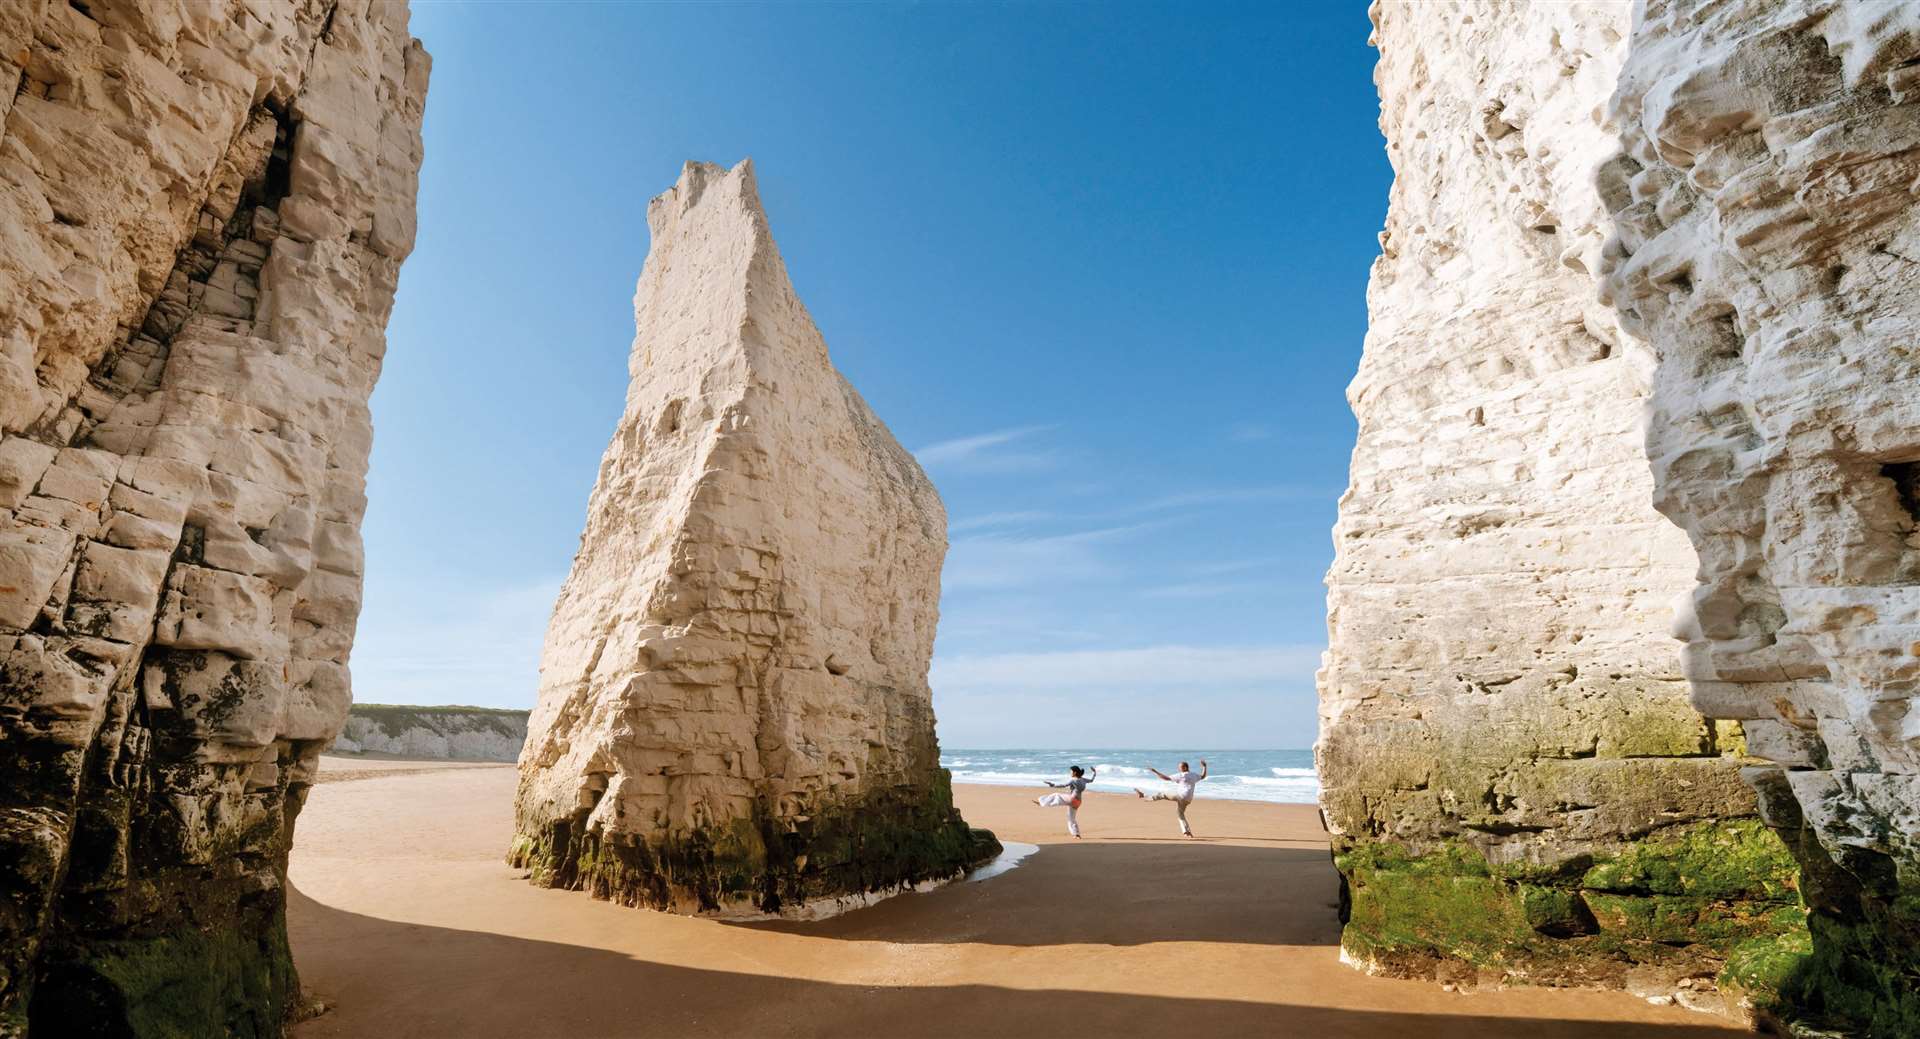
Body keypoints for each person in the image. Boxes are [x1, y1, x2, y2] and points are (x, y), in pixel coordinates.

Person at [1135, 759, 1207, 837]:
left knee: (1162, 794)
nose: (1179, 769)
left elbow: (1166, 778)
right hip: (1188, 799)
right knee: (1180, 814)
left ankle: (1143, 795)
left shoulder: (1182, 775)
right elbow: (1202, 776)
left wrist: (1155, 772)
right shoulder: (1194, 775)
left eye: (1181, 767)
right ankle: (1187, 832)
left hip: (1181, 796)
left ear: (1186, 768)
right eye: (1179, 767)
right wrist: (1204, 767)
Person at [1034, 765, 1096, 838]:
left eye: (1071, 771)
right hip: (1078, 802)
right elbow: (1091, 780)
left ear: (1075, 772)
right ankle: (1076, 834)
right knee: (1071, 818)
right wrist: (1094, 772)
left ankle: (1042, 802)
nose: (1070, 773)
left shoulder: (1073, 780)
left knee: (1056, 795)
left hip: (1072, 799)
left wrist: (1053, 785)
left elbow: (1063, 785)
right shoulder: (1083, 779)